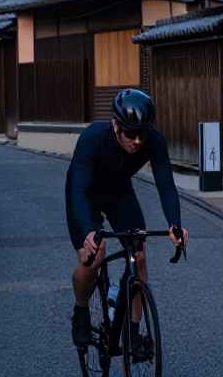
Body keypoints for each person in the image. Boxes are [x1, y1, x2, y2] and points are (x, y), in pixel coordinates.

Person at [67, 88, 187, 350]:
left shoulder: (154, 141)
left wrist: (175, 224)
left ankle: (133, 334)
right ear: (115, 125)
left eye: (142, 135)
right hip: (85, 194)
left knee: (139, 253)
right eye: (130, 134)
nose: (136, 141)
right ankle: (81, 310)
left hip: (119, 194)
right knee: (95, 256)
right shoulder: (92, 139)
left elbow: (166, 185)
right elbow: (78, 189)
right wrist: (88, 229)